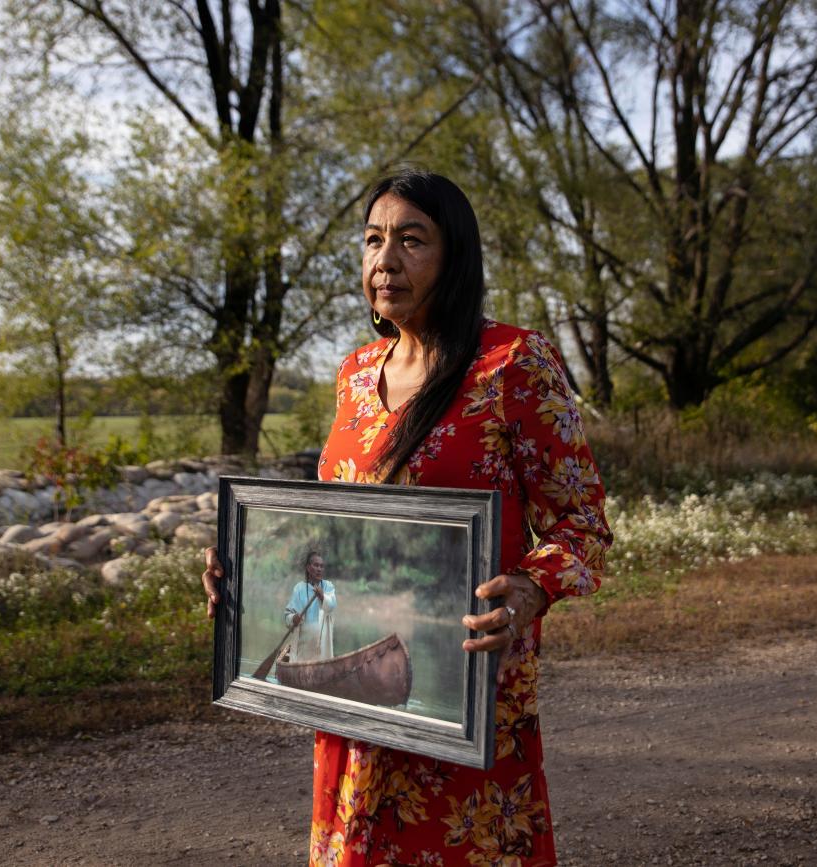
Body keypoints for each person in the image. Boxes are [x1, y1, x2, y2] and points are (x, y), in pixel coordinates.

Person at [202, 169, 611, 866]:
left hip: (465, 697)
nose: (384, 260)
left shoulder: (514, 364)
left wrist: (532, 588)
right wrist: (245, 570)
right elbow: (330, 527)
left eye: (410, 240)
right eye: (372, 240)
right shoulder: (356, 374)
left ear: (455, 258)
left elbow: (583, 527)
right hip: (354, 715)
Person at [283, 550, 337, 663]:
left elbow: (332, 605)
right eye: (316, 565)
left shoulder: (328, 586)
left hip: (322, 650)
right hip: (303, 649)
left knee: (322, 663)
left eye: (321, 566)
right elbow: (287, 617)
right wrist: (293, 618)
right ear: (308, 568)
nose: (319, 569)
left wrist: (322, 597)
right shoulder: (299, 588)